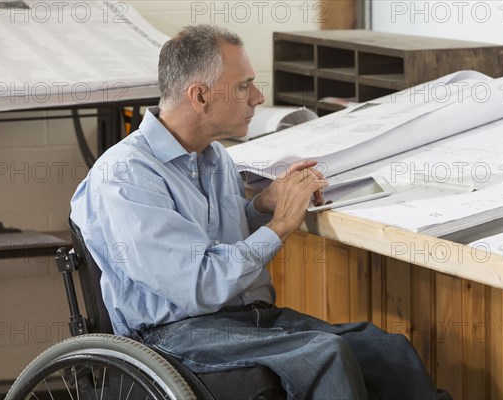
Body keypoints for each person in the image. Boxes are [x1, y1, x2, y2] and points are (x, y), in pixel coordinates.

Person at [71, 24, 444, 399]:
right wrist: (280, 226)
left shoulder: (213, 156)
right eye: (242, 86)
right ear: (199, 96)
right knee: (325, 356)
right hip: (174, 334)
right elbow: (200, 285)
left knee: (384, 349)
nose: (258, 97)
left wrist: (261, 207)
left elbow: (211, 242)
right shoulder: (125, 177)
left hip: (244, 319)